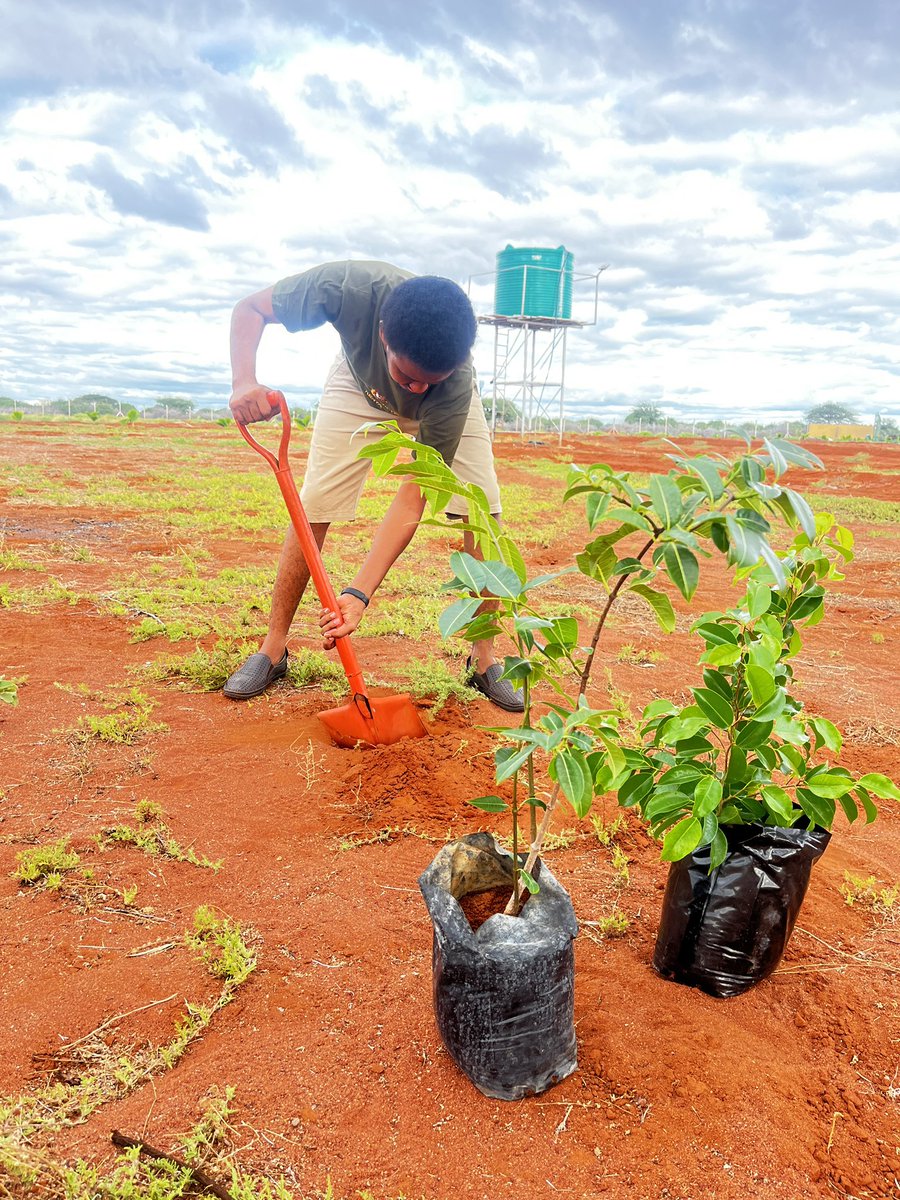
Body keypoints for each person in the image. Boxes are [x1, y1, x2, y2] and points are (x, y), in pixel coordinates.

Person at [224, 259, 524, 713]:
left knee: (484, 515)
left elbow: (413, 495)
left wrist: (359, 593)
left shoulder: (453, 386)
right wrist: (243, 380)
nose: (417, 389)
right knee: (314, 507)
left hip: (450, 407)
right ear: (383, 334)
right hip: (357, 385)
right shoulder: (347, 288)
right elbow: (250, 309)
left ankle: (482, 660)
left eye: (430, 381)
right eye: (408, 377)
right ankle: (273, 647)